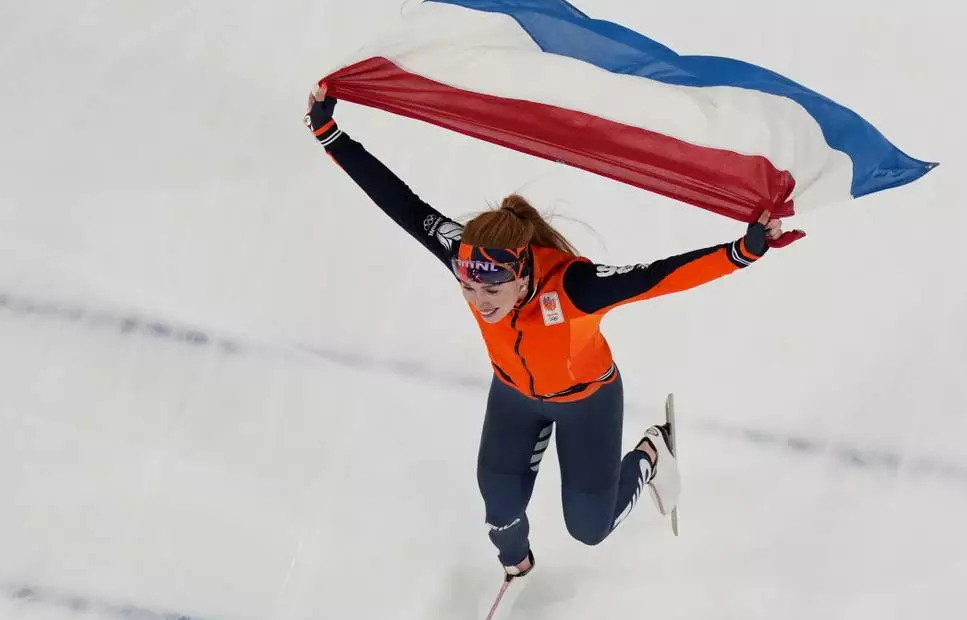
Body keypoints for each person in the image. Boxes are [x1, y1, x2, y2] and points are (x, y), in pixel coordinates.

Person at [304, 83, 788, 582]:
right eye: (468, 289)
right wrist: (328, 132)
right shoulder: (464, 256)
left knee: (589, 528)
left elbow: (656, 278)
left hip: (587, 402)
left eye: (491, 293)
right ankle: (517, 564)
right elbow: (397, 200)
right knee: (499, 510)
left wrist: (742, 251)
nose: (478, 303)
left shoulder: (573, 288)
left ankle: (650, 453)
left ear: (521, 275)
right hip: (514, 394)